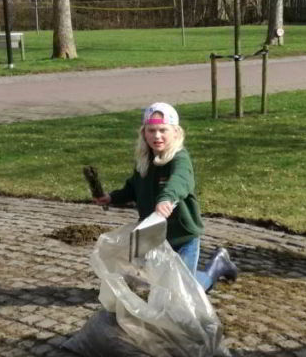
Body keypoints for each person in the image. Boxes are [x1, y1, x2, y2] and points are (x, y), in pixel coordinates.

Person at [94, 102, 237, 291]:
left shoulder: (180, 159)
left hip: (182, 237)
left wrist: (166, 198)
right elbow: (133, 188)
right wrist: (111, 197)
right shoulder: (144, 161)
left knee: (184, 291)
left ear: (175, 132)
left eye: (163, 130)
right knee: (165, 286)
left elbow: (180, 180)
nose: (157, 136)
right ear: (144, 133)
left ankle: (217, 265)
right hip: (156, 237)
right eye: (151, 130)